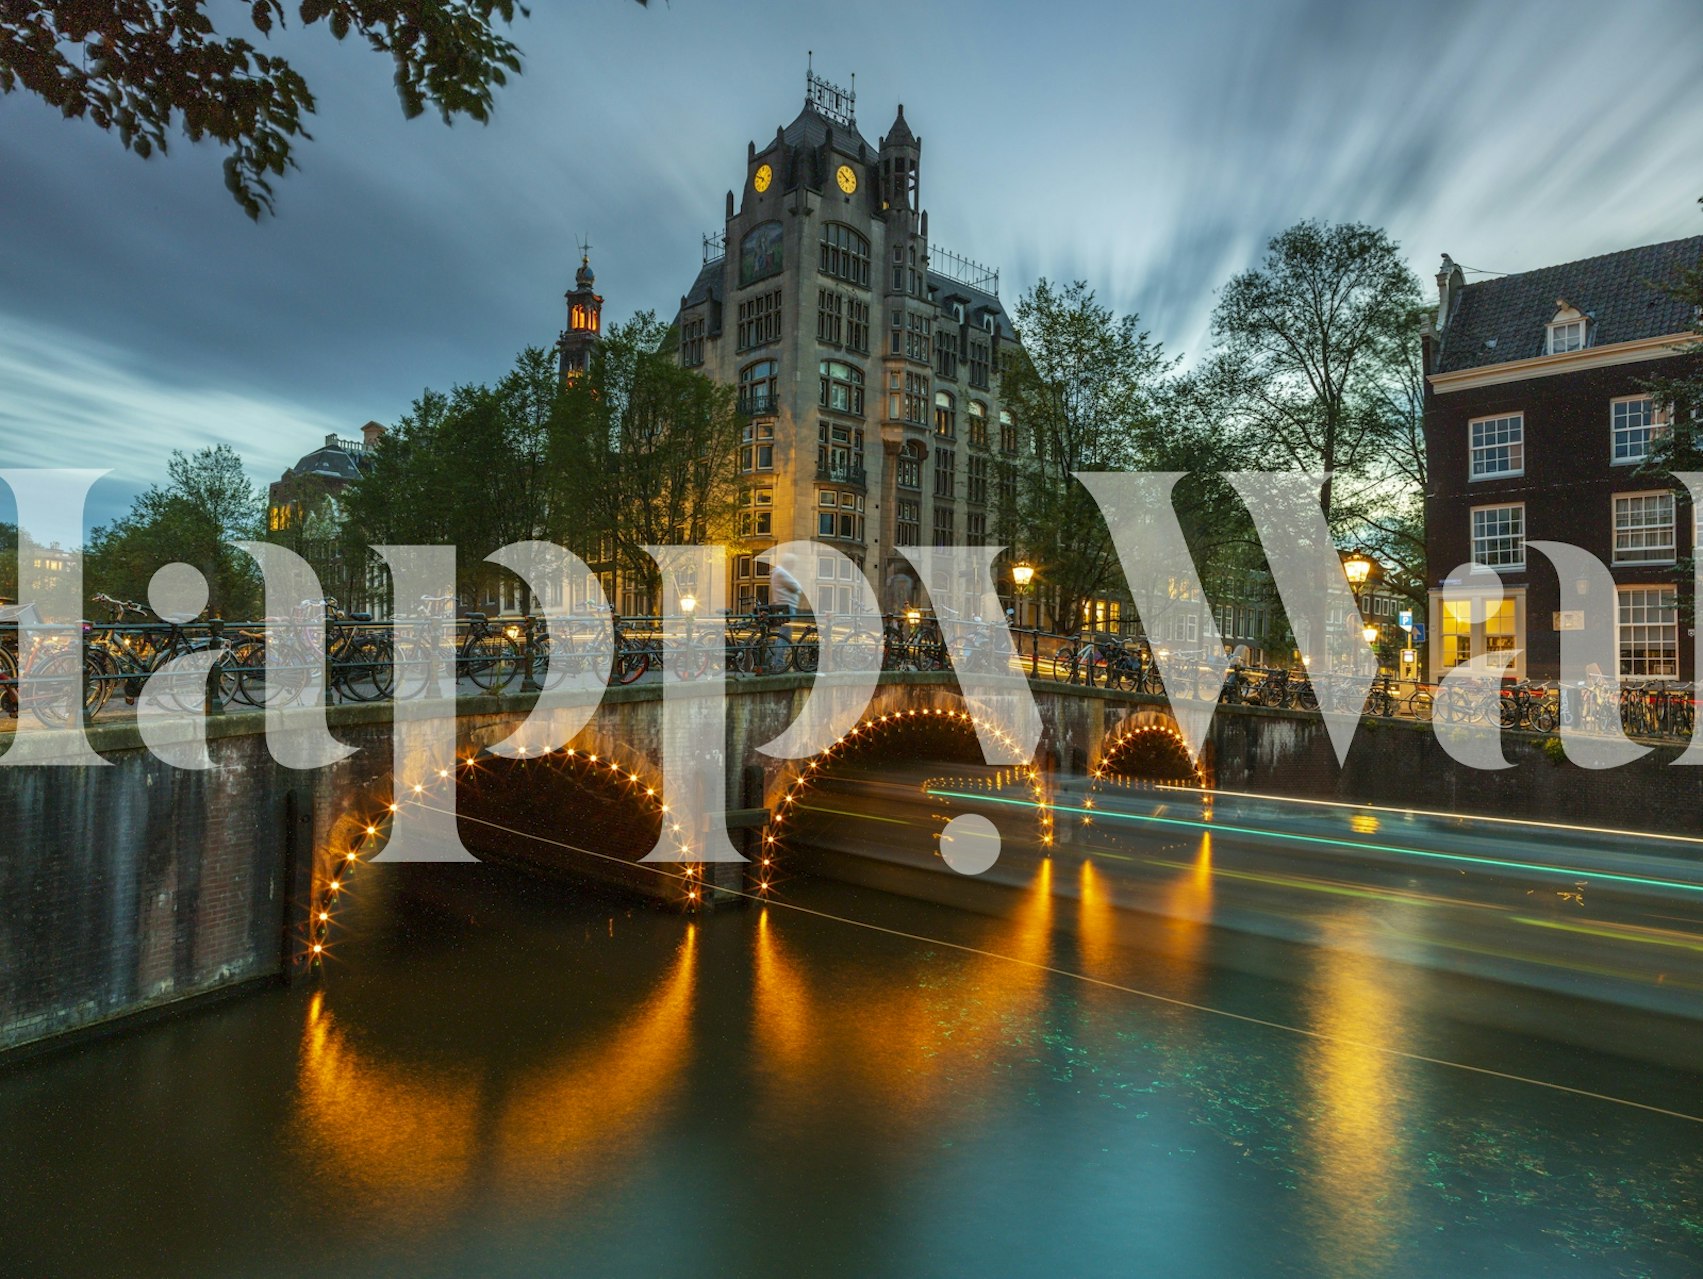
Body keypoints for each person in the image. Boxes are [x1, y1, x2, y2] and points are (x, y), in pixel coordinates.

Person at [768, 554, 802, 618]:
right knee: (786, 626)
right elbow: (796, 587)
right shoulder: (781, 573)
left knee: (785, 626)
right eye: (793, 563)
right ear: (789, 563)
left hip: (785, 606)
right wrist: (799, 589)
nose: (794, 566)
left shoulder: (780, 572)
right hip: (787, 606)